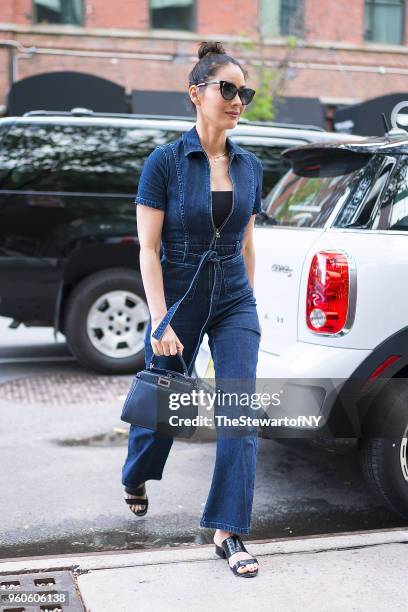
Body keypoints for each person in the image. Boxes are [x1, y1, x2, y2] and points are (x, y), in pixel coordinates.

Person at [121, 40, 263, 578]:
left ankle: (228, 531)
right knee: (162, 409)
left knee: (239, 415)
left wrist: (247, 304)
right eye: (227, 88)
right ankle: (136, 476)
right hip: (177, 292)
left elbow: (247, 243)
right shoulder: (164, 163)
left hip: (233, 298)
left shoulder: (250, 167)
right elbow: (148, 249)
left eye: (244, 92)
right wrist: (159, 319)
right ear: (196, 92)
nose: (237, 100)